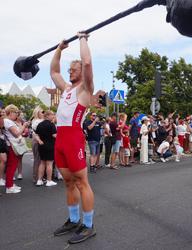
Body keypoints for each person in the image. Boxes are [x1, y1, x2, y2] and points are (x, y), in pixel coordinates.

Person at [50, 33, 96, 244]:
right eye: (70, 70)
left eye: (73, 70)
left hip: (74, 139)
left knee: (81, 182)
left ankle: (88, 225)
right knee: (68, 182)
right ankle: (73, 220)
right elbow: (54, 71)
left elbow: (86, 62)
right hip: (60, 140)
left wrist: (82, 39)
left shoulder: (85, 90)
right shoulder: (67, 89)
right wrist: (59, 49)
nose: (70, 72)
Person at [3, 104, 29, 193]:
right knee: (12, 166)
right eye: (16, 112)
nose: (17, 114)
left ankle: (10, 184)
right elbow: (17, 133)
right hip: (12, 145)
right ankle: (9, 187)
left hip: (11, 145)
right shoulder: (8, 121)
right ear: (10, 112)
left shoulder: (7, 121)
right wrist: (24, 125)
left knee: (12, 166)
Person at [35, 110, 57, 187]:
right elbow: (54, 135)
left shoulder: (40, 124)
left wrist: (39, 140)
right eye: (52, 115)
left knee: (42, 163)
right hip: (50, 146)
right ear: (47, 116)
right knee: (49, 163)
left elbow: (36, 135)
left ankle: (39, 180)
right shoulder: (52, 125)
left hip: (41, 146)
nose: (53, 116)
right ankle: (49, 180)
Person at [31, 106, 44, 182]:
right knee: (38, 159)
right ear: (37, 113)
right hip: (37, 140)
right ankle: (36, 177)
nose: (43, 113)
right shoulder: (36, 121)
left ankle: (40, 176)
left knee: (41, 159)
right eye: (42, 112)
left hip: (39, 140)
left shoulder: (39, 120)